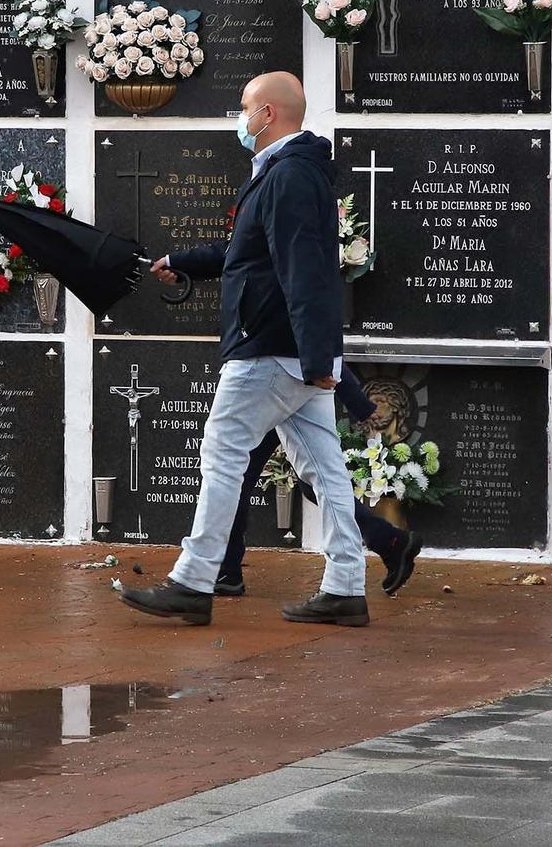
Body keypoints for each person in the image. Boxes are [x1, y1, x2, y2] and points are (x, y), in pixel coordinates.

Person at [120, 71, 369, 628]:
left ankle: (193, 579)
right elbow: (248, 253)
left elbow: (304, 270)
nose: (240, 117)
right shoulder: (287, 172)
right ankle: (347, 586)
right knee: (324, 467)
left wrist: (316, 357)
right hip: (289, 349)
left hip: (269, 349)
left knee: (222, 454)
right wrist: (184, 260)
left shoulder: (289, 177)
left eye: (244, 107)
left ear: (268, 115)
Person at [215, 366, 424, 600]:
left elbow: (308, 336)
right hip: (285, 383)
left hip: (272, 385)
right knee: (313, 480)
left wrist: (356, 399)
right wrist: (356, 400)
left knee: (235, 474)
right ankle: (388, 542)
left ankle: (225, 569)